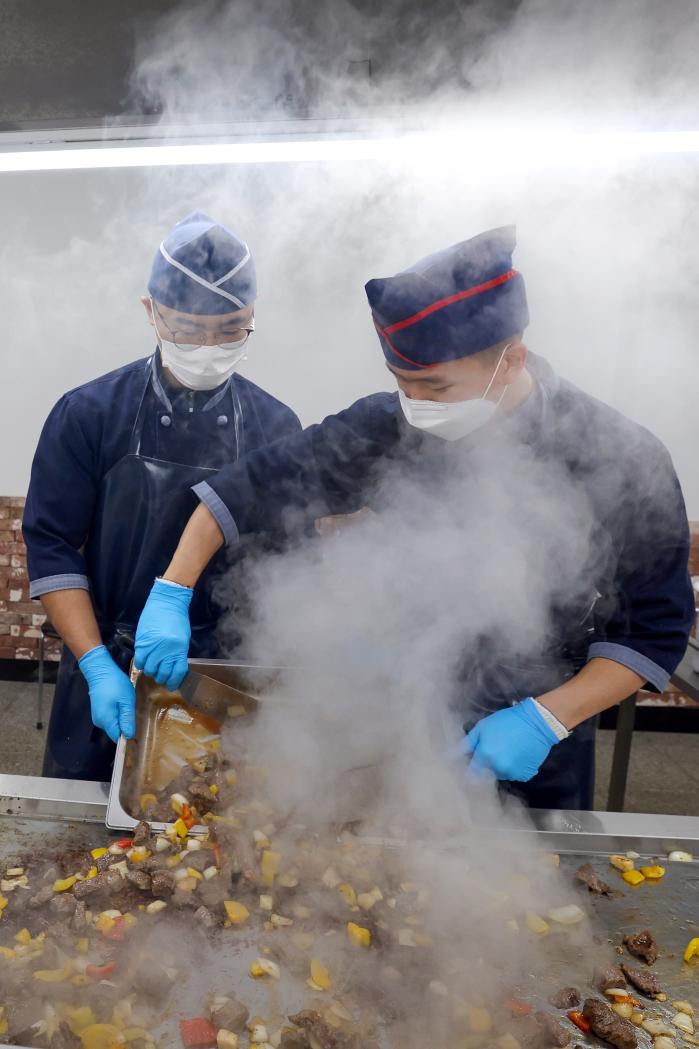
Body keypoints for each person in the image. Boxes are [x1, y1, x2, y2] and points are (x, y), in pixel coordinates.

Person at [133, 226, 694, 810]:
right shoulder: (386, 427)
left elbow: (653, 631)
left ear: (511, 361)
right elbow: (246, 489)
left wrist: (546, 719)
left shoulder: (618, 457)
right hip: (388, 726)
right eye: (402, 383)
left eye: (435, 385)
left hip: (531, 745)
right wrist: (172, 590)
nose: (416, 403)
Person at [23, 210, 301, 780]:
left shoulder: (278, 428)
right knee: (81, 847)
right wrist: (97, 664)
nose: (208, 347)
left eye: (230, 330)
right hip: (103, 662)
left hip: (221, 678)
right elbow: (52, 546)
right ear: (151, 312)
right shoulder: (89, 414)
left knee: (214, 837)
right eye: (188, 329)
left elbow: (289, 571)